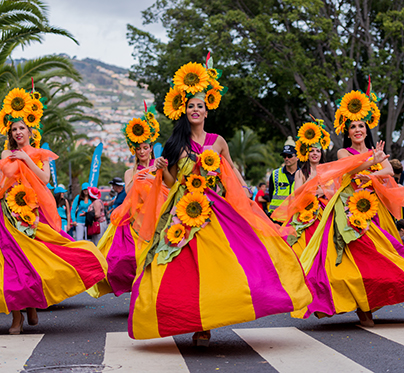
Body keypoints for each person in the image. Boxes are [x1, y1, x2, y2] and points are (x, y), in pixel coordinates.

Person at [127, 56, 312, 345]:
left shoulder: (219, 141)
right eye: (191, 106)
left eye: (200, 105)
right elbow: (170, 183)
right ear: (184, 111)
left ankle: (219, 313)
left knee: (229, 262)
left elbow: (232, 172)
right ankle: (199, 324)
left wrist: (245, 194)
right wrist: (163, 171)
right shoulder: (176, 144)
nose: (196, 110)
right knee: (182, 268)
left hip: (215, 208)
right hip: (184, 210)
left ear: (207, 110)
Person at [0, 87, 107, 334]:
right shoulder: (4, 153)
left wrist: (25, 159)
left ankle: (31, 303)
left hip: (33, 213)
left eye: (22, 128)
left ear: (31, 131)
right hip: (6, 214)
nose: (18, 132)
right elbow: (0, 181)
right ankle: (17, 316)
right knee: (9, 264)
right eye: (14, 129)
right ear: (10, 133)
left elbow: (43, 179)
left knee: (35, 261)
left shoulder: (39, 154)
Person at [291, 87, 404, 326]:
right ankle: (356, 308)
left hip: (373, 210)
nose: (358, 130)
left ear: (367, 130)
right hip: (347, 210)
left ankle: (370, 304)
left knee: (381, 257)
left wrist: (374, 168)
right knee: (350, 259)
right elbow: (346, 169)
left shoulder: (377, 151)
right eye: (353, 126)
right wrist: (370, 165)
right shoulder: (343, 150)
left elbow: (388, 171)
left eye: (361, 126)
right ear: (348, 131)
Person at [88, 107, 168, 298]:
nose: (142, 151)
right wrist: (142, 174)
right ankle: (141, 292)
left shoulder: (160, 166)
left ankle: (156, 294)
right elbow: (130, 193)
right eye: (138, 148)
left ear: (151, 148)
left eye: (146, 147)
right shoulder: (129, 173)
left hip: (158, 218)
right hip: (136, 221)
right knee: (127, 258)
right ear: (134, 150)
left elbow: (168, 187)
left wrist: (159, 170)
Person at [271, 119, 329, 256]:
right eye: (312, 151)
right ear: (307, 154)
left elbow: (334, 191)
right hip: (305, 213)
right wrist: (313, 187)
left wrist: (324, 191)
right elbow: (298, 195)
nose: (315, 153)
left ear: (322, 154)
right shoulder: (301, 172)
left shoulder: (327, 171)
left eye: (318, 151)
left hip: (324, 214)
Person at [268, 137, 298, 215]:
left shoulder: (302, 174)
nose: (286, 158)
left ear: (297, 157)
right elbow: (271, 194)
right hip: (277, 218)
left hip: (294, 217)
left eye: (289, 156)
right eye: (284, 156)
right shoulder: (275, 174)